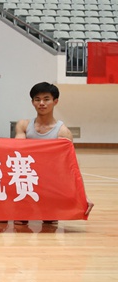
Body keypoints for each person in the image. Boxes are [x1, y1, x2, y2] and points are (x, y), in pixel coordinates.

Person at [14, 82, 93, 223]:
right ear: (32, 102)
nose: (41, 103)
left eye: (46, 99)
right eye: (37, 99)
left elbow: (71, 166)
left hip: (50, 181)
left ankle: (49, 206)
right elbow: (17, 151)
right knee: (20, 221)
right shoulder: (24, 125)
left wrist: (83, 196)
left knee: (50, 221)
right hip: (28, 178)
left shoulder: (63, 132)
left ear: (55, 101)